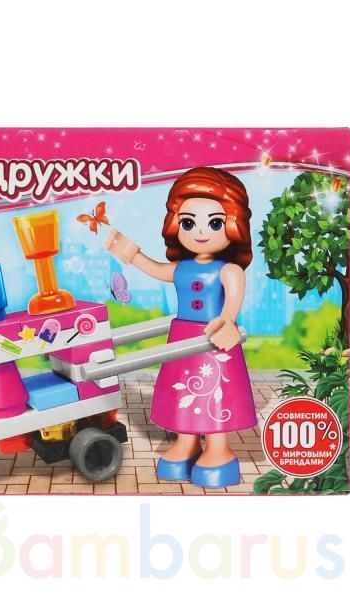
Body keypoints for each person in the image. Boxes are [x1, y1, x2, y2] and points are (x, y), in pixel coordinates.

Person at [105, 167, 257, 487]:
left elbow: (232, 302)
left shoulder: (230, 270)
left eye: (214, 223)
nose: (200, 231)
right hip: (182, 339)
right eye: (189, 223)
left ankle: (218, 448)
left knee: (216, 393)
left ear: (233, 224)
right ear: (176, 224)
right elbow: (156, 269)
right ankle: (186, 442)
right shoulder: (181, 268)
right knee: (182, 390)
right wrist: (131, 254)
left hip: (213, 340)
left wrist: (227, 321)